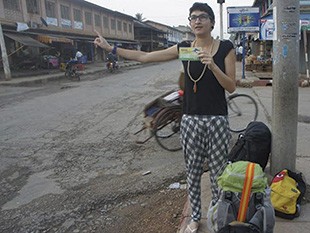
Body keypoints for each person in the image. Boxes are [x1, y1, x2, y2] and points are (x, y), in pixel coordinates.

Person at [94, 2, 236, 233]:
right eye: (193, 17)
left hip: (217, 119)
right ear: (190, 23)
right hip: (190, 119)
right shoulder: (183, 48)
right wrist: (112, 49)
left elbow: (231, 86)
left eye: (202, 16)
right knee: (192, 170)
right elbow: (145, 57)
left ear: (211, 21)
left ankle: (218, 215)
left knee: (219, 172)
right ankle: (196, 217)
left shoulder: (225, 48)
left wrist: (213, 67)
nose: (197, 21)